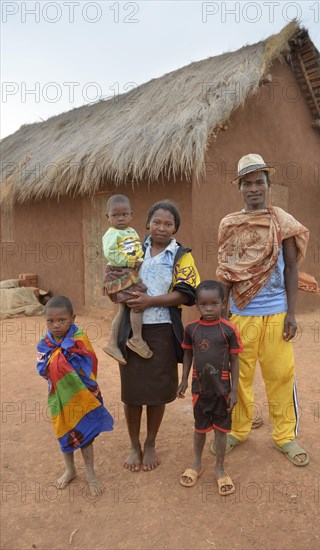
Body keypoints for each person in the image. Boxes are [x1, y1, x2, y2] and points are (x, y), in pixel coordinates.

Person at [215, 153, 319, 466]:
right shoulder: (230, 224)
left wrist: (291, 313)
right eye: (247, 183)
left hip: (276, 313)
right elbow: (226, 272)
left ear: (267, 185)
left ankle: (285, 436)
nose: (253, 188)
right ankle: (238, 430)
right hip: (241, 314)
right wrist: (222, 317)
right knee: (238, 377)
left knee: (280, 374)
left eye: (259, 182)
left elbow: (290, 268)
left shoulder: (281, 221)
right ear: (240, 188)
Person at [118, 200, 200, 472]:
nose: (162, 228)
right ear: (147, 224)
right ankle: (134, 444)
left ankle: (150, 443)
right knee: (132, 394)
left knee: (156, 392)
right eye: (157, 222)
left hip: (163, 331)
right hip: (131, 331)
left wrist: (150, 301)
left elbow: (187, 293)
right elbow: (115, 274)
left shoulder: (181, 255)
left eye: (168, 224)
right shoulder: (132, 249)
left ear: (175, 228)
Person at [36, 296, 114, 495]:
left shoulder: (79, 338)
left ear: (73, 318)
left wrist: (65, 356)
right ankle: (70, 469)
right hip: (60, 397)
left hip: (83, 394)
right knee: (64, 431)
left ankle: (90, 473)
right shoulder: (45, 343)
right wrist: (57, 360)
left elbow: (90, 362)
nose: (56, 325)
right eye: (50, 321)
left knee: (85, 435)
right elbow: (41, 368)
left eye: (62, 320)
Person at [177, 280, 242, 496]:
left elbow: (235, 360)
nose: (209, 308)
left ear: (223, 303)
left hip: (222, 389)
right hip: (200, 388)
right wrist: (184, 379)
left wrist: (234, 389)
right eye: (203, 304)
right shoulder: (192, 330)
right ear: (197, 305)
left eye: (214, 303)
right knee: (199, 429)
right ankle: (196, 464)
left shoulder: (229, 330)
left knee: (221, 431)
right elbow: (187, 354)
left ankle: (220, 468)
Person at [102, 194, 152, 364]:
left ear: (131, 214)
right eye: (115, 215)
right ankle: (136, 338)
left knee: (124, 310)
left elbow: (136, 248)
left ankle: (112, 344)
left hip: (129, 273)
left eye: (124, 214)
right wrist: (131, 261)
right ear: (107, 216)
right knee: (138, 303)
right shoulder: (111, 234)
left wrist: (140, 258)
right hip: (119, 272)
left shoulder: (131, 231)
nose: (120, 218)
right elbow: (111, 254)